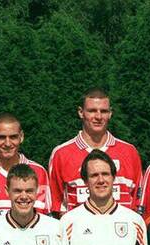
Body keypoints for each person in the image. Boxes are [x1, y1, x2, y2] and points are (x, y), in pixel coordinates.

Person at [47, 87, 144, 215]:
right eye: (92, 111)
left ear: (110, 113)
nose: (98, 116)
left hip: (121, 231)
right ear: (81, 112)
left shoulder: (129, 152)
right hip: (79, 232)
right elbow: (56, 205)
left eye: (103, 111)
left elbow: (138, 203)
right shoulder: (61, 154)